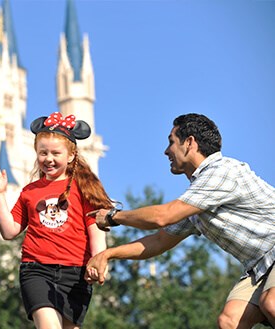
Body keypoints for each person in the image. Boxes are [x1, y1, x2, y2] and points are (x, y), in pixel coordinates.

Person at [85, 113, 275, 328]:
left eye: (171, 142)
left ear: (190, 143)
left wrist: (113, 217)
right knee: (230, 321)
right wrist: (108, 254)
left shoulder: (221, 171)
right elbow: (159, 241)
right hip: (260, 266)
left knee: (272, 303)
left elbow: (161, 217)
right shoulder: (197, 199)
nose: (166, 151)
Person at [0, 111, 113, 329]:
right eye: (43, 153)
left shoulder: (84, 188)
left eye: (56, 153)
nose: (49, 159)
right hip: (36, 270)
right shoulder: (30, 191)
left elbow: (95, 228)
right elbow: (9, 231)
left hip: (75, 274)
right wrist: (0, 193)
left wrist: (99, 260)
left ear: (71, 155)